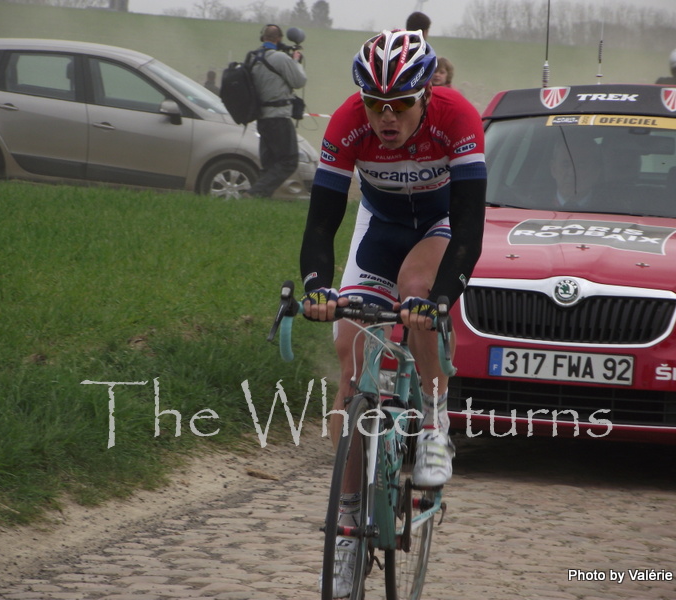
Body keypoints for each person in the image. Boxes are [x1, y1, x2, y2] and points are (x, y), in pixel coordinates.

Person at [299, 29, 487, 596]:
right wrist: (315, 288)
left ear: (426, 93)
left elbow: (472, 229)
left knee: (414, 293)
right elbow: (322, 221)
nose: (386, 116)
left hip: (439, 228)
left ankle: (433, 420)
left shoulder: (457, 117)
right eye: (375, 103)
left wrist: (442, 300)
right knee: (352, 354)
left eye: (400, 103)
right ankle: (350, 528)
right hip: (379, 227)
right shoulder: (347, 122)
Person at [243, 24, 307, 198]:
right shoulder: (280, 58)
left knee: (270, 164)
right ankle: (254, 194)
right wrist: (295, 61)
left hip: (262, 118)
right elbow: (299, 81)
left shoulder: (253, 58)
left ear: (262, 38)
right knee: (289, 161)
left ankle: (261, 200)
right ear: (278, 39)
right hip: (278, 117)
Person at [549, 136, 602, 209]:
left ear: (596, 172)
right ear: (553, 169)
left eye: (581, 166)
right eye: (565, 165)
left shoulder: (614, 208)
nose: (571, 173)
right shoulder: (532, 203)